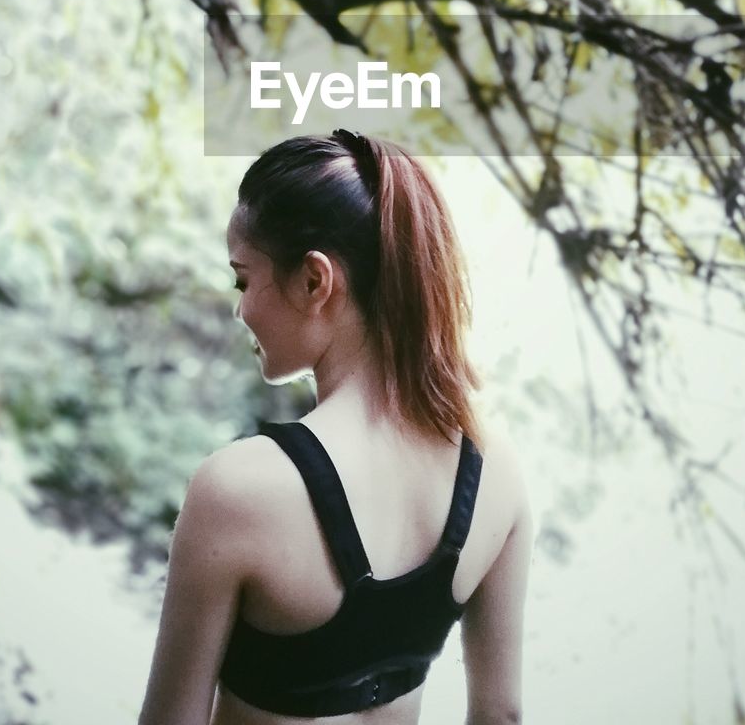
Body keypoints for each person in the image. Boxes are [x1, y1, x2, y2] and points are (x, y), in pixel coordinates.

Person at [138, 130, 533, 725]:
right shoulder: (496, 471)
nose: (240, 308)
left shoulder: (239, 490)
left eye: (243, 279)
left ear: (316, 281)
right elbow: (500, 715)